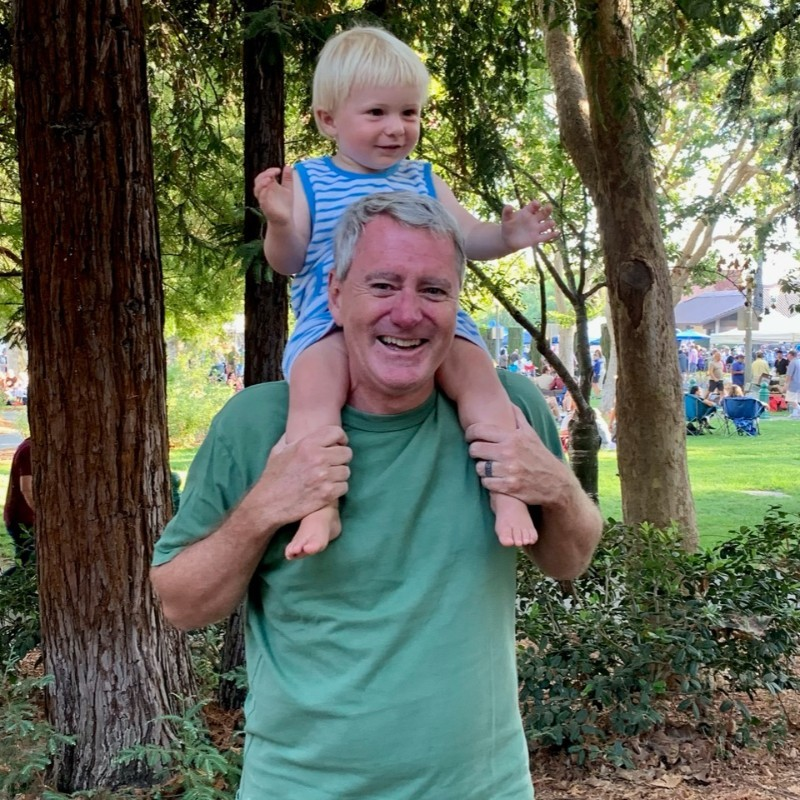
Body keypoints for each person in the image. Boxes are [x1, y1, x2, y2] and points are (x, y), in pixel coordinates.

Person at [150, 193, 602, 800]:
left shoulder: (510, 410)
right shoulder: (257, 425)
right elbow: (181, 604)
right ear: (336, 295)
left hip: (483, 787)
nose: (408, 313)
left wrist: (558, 489)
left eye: (434, 290)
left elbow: (569, 560)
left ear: (456, 304)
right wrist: (265, 506)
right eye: (384, 285)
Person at [254, 26, 558, 559]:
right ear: (328, 119)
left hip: (430, 319)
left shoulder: (423, 180)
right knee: (313, 399)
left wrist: (507, 237)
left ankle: (507, 492)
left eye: (409, 113)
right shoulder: (309, 181)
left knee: (483, 384)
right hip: (329, 322)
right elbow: (290, 261)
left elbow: (468, 237)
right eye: (377, 113)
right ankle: (318, 503)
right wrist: (280, 223)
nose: (396, 128)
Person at [3, 437, 34, 570]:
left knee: (28, 565)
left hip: (27, 518)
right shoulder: (29, 449)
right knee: (27, 566)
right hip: (23, 520)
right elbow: (26, 489)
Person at [786, 349, 800, 419]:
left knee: (791, 399)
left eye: (788, 354)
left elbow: (789, 375)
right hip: (798, 383)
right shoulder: (798, 361)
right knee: (796, 399)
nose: (787, 356)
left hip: (793, 384)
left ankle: (798, 410)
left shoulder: (792, 362)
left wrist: (786, 384)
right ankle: (795, 413)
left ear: (791, 355)